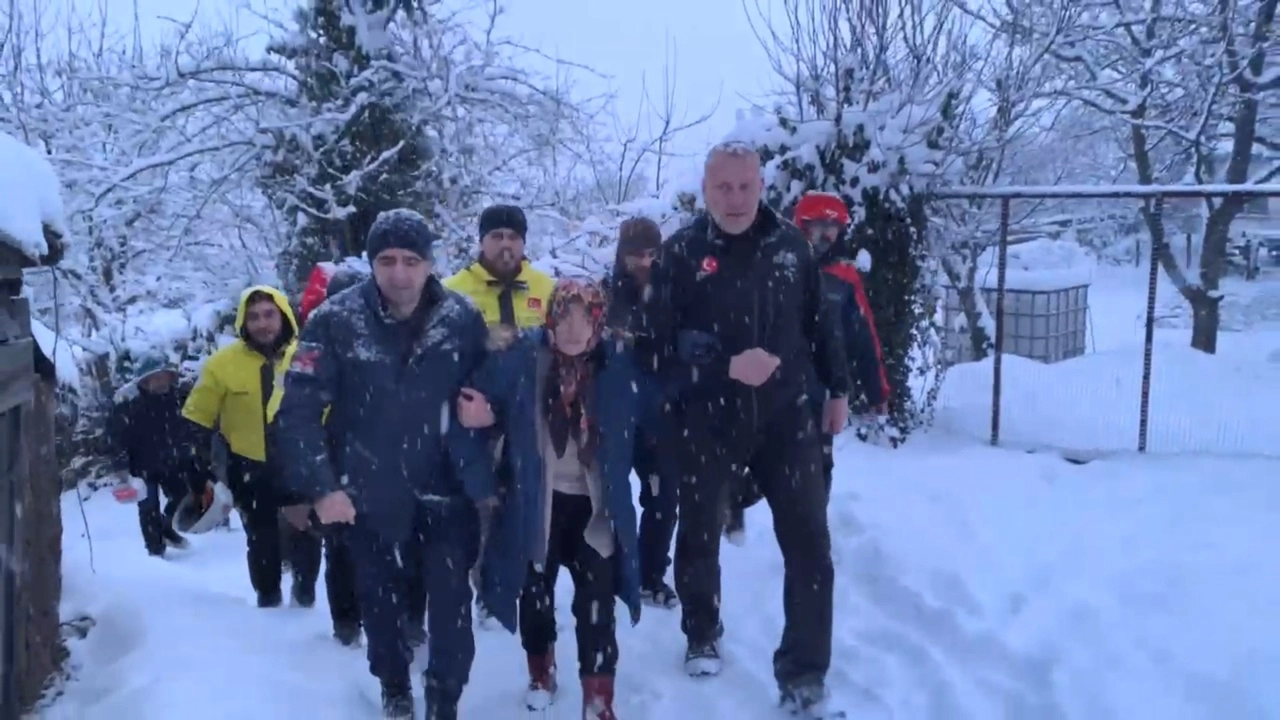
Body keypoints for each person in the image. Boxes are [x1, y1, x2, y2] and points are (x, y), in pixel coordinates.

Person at [272, 208, 501, 720]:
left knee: (450, 612)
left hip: (445, 491)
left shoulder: (461, 318)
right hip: (369, 492)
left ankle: (445, 699)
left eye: (411, 260)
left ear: (429, 263)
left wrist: (490, 412)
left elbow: (494, 385)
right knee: (381, 606)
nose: (399, 273)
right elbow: (298, 410)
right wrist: (322, 487)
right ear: (372, 263)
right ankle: (394, 686)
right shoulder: (335, 320)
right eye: (387, 260)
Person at [649, 141, 851, 717]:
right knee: (699, 534)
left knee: (810, 545)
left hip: (786, 418)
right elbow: (655, 351)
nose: (734, 198)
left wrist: (837, 388)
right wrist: (724, 367)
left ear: (761, 185)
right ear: (705, 189)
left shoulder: (791, 245)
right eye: (723, 187)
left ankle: (804, 675)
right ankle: (702, 631)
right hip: (708, 419)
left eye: (744, 186)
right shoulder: (681, 253)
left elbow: (820, 322)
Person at [457, 277, 642, 719]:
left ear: (600, 321)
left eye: (585, 317)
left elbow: (660, 412)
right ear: (549, 316)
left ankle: (599, 699)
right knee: (534, 595)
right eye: (564, 315)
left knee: (596, 604)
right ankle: (541, 670)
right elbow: (470, 413)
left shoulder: (619, 364)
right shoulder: (520, 359)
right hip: (534, 503)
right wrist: (482, 482)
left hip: (595, 508)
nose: (574, 328)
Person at [443, 202, 555, 627]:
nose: (505, 244)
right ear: (482, 241)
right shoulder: (454, 290)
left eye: (513, 237)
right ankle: (484, 588)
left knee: (527, 502)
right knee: (481, 502)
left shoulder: (547, 288)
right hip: (473, 418)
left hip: (530, 418)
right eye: (496, 236)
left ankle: (521, 584)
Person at [181, 284, 322, 608]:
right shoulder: (221, 364)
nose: (262, 324)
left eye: (269, 315)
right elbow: (196, 418)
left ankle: (304, 597)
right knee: (262, 540)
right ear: (244, 321)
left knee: (306, 535)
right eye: (254, 316)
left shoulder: (308, 356)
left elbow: (329, 409)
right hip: (248, 465)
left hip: (301, 463)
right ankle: (267, 602)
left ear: (283, 315)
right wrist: (197, 468)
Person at [266, 263, 369, 647]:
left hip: (384, 468)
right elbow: (286, 422)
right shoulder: (306, 354)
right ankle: (346, 627)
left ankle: (406, 628)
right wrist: (299, 490)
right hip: (331, 472)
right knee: (340, 552)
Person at [604, 216, 680, 608]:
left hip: (662, 414)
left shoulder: (675, 290)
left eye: (652, 253)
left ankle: (652, 574)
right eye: (636, 255)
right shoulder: (606, 293)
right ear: (622, 254)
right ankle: (619, 571)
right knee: (613, 498)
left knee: (664, 500)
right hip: (618, 414)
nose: (645, 262)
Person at [792, 191, 890, 491]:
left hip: (824, 387)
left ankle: (813, 529)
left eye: (832, 227)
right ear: (803, 226)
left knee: (818, 467)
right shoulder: (784, 266)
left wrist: (877, 391)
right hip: (779, 384)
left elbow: (864, 335)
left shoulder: (845, 277)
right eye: (818, 225)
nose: (826, 234)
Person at [106, 352, 209, 557]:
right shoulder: (129, 406)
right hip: (142, 466)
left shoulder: (179, 400)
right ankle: (156, 551)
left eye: (165, 376)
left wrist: (193, 454)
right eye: (156, 377)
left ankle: (166, 527)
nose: (162, 382)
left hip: (173, 462)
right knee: (148, 507)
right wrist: (121, 468)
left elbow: (191, 429)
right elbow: (116, 439)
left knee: (181, 494)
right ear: (144, 381)